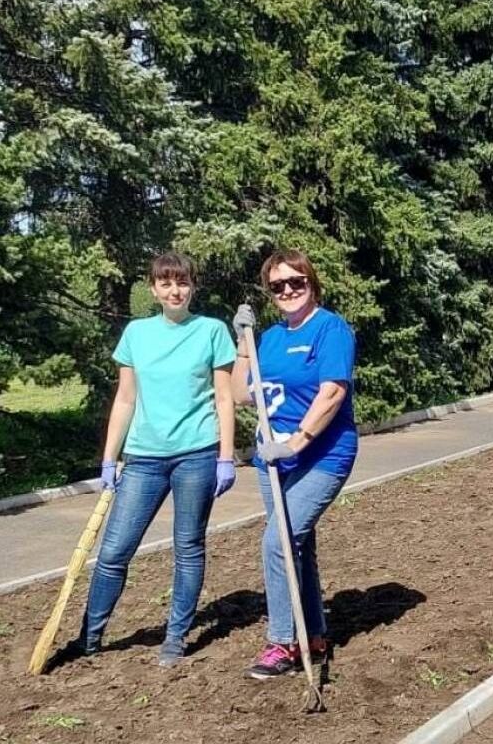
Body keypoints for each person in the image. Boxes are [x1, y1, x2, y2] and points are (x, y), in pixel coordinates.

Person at [81, 252, 238, 667]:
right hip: (144, 458)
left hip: (197, 455)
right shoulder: (136, 334)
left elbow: (224, 398)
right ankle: (90, 637)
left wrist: (226, 456)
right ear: (152, 289)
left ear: (192, 287)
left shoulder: (212, 331)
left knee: (187, 547)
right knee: (114, 551)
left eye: (182, 282)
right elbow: (126, 398)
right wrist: (109, 459)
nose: (174, 290)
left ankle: (175, 637)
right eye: (166, 283)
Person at [230, 249, 357, 679]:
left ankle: (283, 641)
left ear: (312, 282)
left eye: (296, 282)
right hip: (274, 460)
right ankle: (314, 635)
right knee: (296, 545)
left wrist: (297, 441)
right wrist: (243, 345)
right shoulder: (269, 338)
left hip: (322, 455)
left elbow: (333, 393)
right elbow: (241, 394)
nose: (287, 291)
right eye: (277, 286)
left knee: (277, 543)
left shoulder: (330, 328)